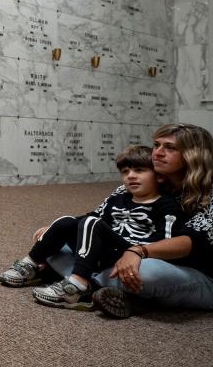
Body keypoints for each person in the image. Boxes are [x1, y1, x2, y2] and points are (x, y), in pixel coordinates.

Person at [0, 145, 186, 310]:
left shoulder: (166, 205)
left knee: (92, 224)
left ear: (159, 177)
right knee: (67, 221)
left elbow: (165, 241)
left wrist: (137, 252)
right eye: (125, 171)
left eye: (139, 170)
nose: (131, 176)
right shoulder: (118, 198)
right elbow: (91, 216)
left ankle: (77, 287)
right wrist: (54, 228)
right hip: (103, 251)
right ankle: (31, 265)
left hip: (130, 252)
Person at [90, 124, 213, 318]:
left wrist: (138, 251)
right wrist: (58, 228)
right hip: (132, 255)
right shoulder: (148, 181)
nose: (158, 152)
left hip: (199, 274)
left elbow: (192, 242)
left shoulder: (208, 191)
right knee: (65, 241)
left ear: (193, 154)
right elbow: (98, 216)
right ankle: (127, 294)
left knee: (148, 271)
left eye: (170, 148)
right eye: (156, 145)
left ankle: (83, 281)